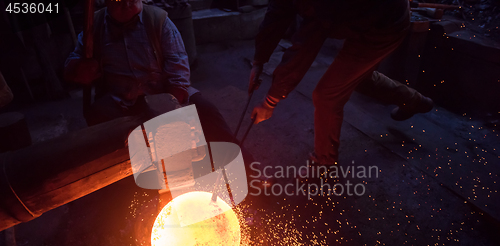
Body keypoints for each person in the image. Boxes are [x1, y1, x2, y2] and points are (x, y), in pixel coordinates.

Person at [64, 0, 269, 188]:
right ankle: (123, 191)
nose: (126, 3)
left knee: (207, 113)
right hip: (119, 100)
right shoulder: (96, 27)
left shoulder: (158, 21)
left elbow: (179, 70)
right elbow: (71, 65)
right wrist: (78, 69)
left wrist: (170, 110)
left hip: (164, 93)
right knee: (106, 134)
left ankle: (247, 168)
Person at [250, 0, 433, 166]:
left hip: (385, 24)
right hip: (364, 16)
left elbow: (304, 47)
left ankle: (324, 164)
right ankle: (415, 101)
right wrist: (259, 59)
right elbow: (277, 12)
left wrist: (270, 101)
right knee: (356, 79)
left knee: (326, 96)